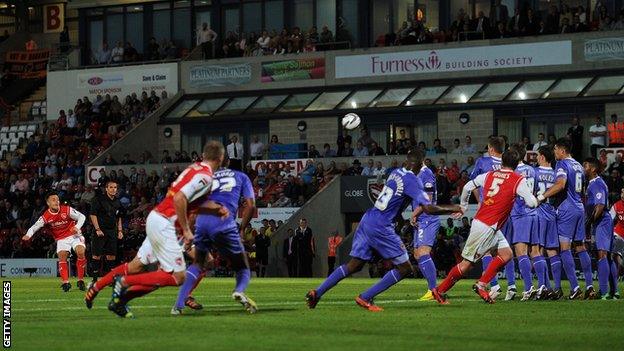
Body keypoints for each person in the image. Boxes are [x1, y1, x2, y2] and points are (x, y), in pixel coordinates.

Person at [306, 149, 462, 312]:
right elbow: (429, 208)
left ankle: (317, 292)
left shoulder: (395, 173)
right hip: (381, 225)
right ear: (421, 163)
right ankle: (365, 297)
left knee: (354, 265)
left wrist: (400, 222)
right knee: (405, 268)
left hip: (368, 219)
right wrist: (455, 207)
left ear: (407, 162)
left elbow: (395, 202)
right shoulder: (413, 181)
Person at [86, 142, 223, 318]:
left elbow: (186, 201)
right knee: (177, 276)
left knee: (137, 267)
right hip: (168, 225)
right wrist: (187, 231)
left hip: (159, 219)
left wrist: (214, 210)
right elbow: (181, 198)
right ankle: (124, 283)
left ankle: (99, 288)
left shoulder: (194, 169)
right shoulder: (206, 177)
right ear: (221, 159)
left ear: (203, 156)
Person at [432, 150, 538, 304]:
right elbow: (532, 203)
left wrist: (463, 206)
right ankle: (440, 291)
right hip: (486, 226)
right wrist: (539, 197)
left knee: (507, 254)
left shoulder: (489, 175)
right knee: (467, 264)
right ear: (516, 165)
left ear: (502, 161)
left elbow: (468, 186)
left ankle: (481, 284)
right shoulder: (517, 179)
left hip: (489, 225)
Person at [173, 157, 257, 314]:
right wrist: (242, 228)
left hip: (202, 220)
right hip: (223, 220)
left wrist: (188, 231)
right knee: (242, 265)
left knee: (199, 263)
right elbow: (251, 206)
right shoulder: (242, 176)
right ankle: (239, 290)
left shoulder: (210, 176)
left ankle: (178, 306)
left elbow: (194, 207)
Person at [538, 138, 593, 300]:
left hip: (567, 209)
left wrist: (542, 195)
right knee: (580, 246)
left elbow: (561, 184)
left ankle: (575, 287)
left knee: (564, 248)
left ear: (562, 150)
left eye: (555, 149)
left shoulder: (562, 164)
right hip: (579, 207)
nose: (554, 152)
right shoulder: (578, 165)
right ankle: (589, 285)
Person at [22, 192, 87, 292]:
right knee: (62, 256)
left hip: (74, 235)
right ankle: (65, 282)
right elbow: (35, 227)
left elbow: (82, 217)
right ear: (48, 203)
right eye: (53, 200)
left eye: (57, 199)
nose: (57, 201)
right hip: (61, 239)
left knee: (80, 252)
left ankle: (80, 280)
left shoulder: (67, 209)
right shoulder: (46, 216)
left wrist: (76, 227)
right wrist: (28, 235)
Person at [469, 136, 505, 299]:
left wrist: (479, 201)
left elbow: (473, 183)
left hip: (488, 209)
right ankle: (508, 285)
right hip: (504, 210)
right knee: (502, 249)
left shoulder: (482, 162)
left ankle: (494, 285)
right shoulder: (507, 162)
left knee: (485, 249)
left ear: (490, 149)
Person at [508, 144, 539, 301]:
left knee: (521, 252)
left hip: (520, 213)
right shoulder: (533, 169)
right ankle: (541, 287)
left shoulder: (514, 173)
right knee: (535, 252)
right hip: (533, 213)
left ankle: (528, 288)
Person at [533, 146, 563, 300]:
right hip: (552, 212)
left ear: (543, 157)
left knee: (537, 250)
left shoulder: (535, 172)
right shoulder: (556, 173)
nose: (536, 158)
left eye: (538, 155)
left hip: (539, 212)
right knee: (552, 250)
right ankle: (557, 287)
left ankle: (544, 287)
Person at [584, 157, 615, 299]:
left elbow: (600, 205)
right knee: (607, 256)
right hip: (602, 221)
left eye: (586, 166)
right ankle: (614, 291)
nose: (584, 168)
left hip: (602, 221)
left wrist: (589, 222)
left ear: (593, 169)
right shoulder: (592, 183)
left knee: (602, 254)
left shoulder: (596, 183)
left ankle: (603, 292)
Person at [412, 159, 441, 301]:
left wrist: (414, 213)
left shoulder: (426, 174)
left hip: (428, 218)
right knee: (417, 254)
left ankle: (433, 289)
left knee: (423, 252)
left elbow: (427, 200)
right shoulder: (417, 175)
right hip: (420, 219)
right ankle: (432, 287)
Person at [89, 180, 123, 281]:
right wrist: (97, 229)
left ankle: (111, 279)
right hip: (100, 230)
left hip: (112, 231)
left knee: (111, 255)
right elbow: (93, 214)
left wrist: (120, 231)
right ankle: (94, 279)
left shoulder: (117, 201)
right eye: (111, 187)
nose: (113, 189)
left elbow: (119, 217)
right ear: (106, 188)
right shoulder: (98, 199)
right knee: (97, 255)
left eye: (115, 187)